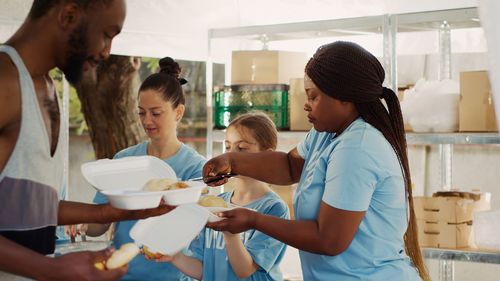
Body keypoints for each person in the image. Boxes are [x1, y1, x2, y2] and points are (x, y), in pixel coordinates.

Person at [203, 41, 430, 281]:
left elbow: (329, 239)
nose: (306, 104)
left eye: (314, 97)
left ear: (344, 97)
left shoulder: (358, 147)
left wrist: (254, 219)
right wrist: (232, 161)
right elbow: (290, 166)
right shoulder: (327, 132)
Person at [0, 1, 172, 280]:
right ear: (69, 15)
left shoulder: (46, 88)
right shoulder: (4, 80)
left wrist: (107, 213)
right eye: (107, 34)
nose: (107, 52)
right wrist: (51, 269)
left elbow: (24, 207)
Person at [84, 57, 207, 281]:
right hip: (120, 274)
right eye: (141, 112)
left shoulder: (195, 167)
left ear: (178, 112)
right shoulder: (125, 160)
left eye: (156, 113)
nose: (147, 120)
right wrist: (80, 225)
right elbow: (98, 225)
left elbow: (195, 229)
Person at [154, 112, 289, 281]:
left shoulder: (274, 209)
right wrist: (175, 257)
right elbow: (205, 271)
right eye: (227, 147)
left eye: (241, 148)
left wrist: (229, 233)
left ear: (266, 156)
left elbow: (245, 271)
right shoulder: (215, 204)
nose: (230, 156)